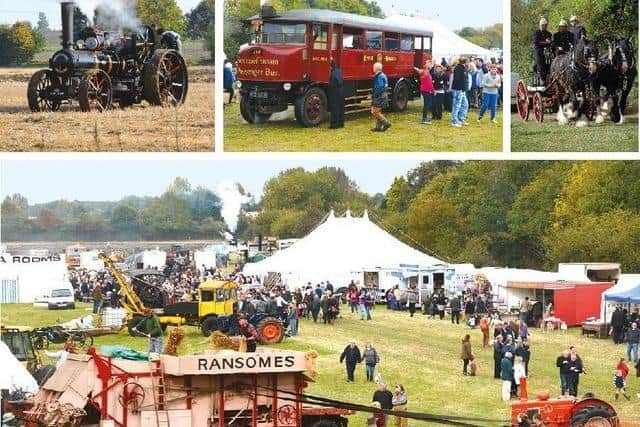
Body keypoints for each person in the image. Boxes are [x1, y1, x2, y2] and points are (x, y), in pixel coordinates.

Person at [371, 62, 391, 132]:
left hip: (379, 96)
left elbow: (379, 87)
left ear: (376, 68)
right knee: (378, 111)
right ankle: (378, 127)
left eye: (373, 67)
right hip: (383, 95)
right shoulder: (383, 75)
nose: (373, 68)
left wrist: (375, 94)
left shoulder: (379, 76)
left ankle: (386, 123)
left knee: (374, 111)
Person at [533, 17, 553, 82]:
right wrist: (546, 42)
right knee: (540, 65)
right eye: (542, 25)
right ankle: (542, 80)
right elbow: (536, 42)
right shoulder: (536, 33)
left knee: (549, 65)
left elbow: (550, 42)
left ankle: (550, 79)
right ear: (540, 25)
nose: (543, 26)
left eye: (544, 25)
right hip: (539, 51)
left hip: (547, 52)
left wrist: (549, 42)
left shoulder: (548, 33)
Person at [450, 57, 469, 128]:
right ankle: (454, 121)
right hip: (458, 90)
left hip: (462, 90)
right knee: (456, 105)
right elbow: (457, 79)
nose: (468, 63)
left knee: (465, 104)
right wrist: (460, 88)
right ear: (465, 62)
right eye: (468, 62)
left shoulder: (463, 68)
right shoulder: (458, 68)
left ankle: (461, 119)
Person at [415, 60, 434, 124]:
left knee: (428, 104)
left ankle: (425, 117)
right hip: (426, 90)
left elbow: (417, 69)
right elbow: (429, 84)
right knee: (427, 104)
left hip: (425, 90)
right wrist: (433, 91)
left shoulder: (425, 72)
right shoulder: (425, 73)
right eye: (430, 64)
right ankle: (424, 119)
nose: (431, 65)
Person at [328, 60, 345, 129]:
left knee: (334, 108)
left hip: (335, 92)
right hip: (341, 91)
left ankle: (334, 124)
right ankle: (341, 123)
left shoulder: (332, 74)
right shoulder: (338, 71)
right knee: (341, 107)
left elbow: (332, 84)